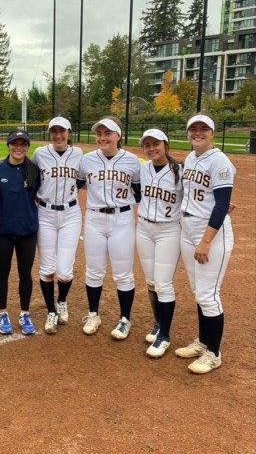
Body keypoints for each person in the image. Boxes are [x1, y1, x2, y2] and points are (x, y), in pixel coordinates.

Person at [175, 114, 236, 374]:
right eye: (193, 129)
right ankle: (202, 342)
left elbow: (222, 203)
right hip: (188, 229)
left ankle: (214, 353)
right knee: (198, 290)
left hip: (209, 233)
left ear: (212, 132)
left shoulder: (220, 160)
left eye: (203, 129)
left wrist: (206, 241)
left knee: (209, 295)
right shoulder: (191, 158)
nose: (198, 133)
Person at [77, 116, 141, 338]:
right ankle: (94, 313)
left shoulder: (132, 161)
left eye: (107, 133)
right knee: (93, 271)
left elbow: (141, 192)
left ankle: (125, 319)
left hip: (122, 220)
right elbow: (75, 184)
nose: (102, 138)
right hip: (94, 219)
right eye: (99, 134)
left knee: (123, 274)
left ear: (118, 136)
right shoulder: (87, 161)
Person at [32, 116, 83, 334]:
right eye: (54, 131)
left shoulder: (79, 154)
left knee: (64, 271)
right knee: (47, 268)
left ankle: (62, 300)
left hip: (71, 213)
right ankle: (51, 311)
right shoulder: (40, 154)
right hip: (45, 213)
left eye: (62, 131)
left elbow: (82, 179)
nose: (58, 135)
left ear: (69, 132)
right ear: (49, 133)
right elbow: (31, 178)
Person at [135, 129, 184, 358]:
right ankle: (157, 323)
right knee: (151, 281)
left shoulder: (179, 171)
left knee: (164, 283)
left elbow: (196, 194)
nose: (152, 148)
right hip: (144, 228)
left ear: (165, 145)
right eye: (148, 145)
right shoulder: (142, 168)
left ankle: (164, 335)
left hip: (169, 230)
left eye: (156, 144)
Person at [0, 130, 41, 335]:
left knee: (25, 274)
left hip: (27, 230)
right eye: (14, 143)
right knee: (2, 273)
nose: (18, 147)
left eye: (23, 143)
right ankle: (2, 312)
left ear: (28, 146)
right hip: (2, 231)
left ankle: (24, 312)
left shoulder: (34, 170)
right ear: (8, 145)